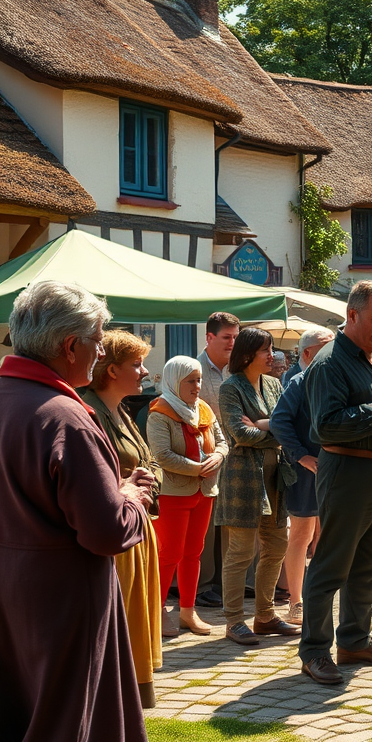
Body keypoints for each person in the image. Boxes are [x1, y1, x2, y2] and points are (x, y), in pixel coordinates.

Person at [0, 280, 151, 742]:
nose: (102, 349)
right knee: (70, 721)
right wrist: (131, 498)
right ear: (70, 346)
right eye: (98, 337)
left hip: (11, 587)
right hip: (63, 598)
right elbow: (106, 531)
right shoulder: (64, 416)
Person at [298, 280, 372, 686]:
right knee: (331, 567)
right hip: (349, 475)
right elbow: (326, 426)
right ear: (352, 315)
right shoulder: (329, 363)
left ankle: (354, 641)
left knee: (369, 566)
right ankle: (314, 651)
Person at [80, 330, 164, 707]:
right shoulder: (89, 411)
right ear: (111, 370)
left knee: (137, 614)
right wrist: (126, 483)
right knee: (121, 618)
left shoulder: (124, 411)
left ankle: (132, 695)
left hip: (139, 526)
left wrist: (148, 480)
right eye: (137, 364)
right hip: (117, 530)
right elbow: (90, 477)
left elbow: (151, 461)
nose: (144, 371)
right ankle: (113, 698)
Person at [216, 327, 300, 646]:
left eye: (273, 349)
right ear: (248, 353)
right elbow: (240, 434)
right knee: (240, 552)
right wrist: (275, 429)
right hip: (243, 478)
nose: (273, 355)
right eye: (266, 350)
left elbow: (289, 424)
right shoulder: (230, 388)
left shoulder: (274, 384)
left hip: (275, 476)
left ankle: (264, 616)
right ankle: (234, 621)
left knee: (277, 545)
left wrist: (265, 425)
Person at [148, 355, 229, 641]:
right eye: (191, 381)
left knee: (193, 553)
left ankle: (187, 610)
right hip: (173, 494)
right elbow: (162, 455)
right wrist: (199, 469)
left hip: (204, 492)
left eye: (199, 380)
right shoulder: (159, 412)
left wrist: (218, 456)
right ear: (174, 382)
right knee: (168, 554)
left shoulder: (203, 408)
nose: (197, 386)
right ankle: (155, 611)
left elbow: (221, 441)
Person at [269, 326, 335, 625]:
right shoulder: (299, 381)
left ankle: (319, 596)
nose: (332, 351)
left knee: (329, 534)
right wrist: (301, 455)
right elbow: (279, 422)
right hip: (307, 472)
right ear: (307, 353)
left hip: (333, 469)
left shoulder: (333, 379)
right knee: (300, 536)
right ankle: (296, 603)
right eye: (325, 346)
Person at [195, 311, 240, 609]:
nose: (233, 344)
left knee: (229, 524)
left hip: (235, 457)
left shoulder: (235, 370)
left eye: (236, 338)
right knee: (206, 527)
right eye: (227, 338)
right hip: (207, 459)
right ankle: (200, 585)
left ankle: (225, 582)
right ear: (209, 337)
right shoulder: (193, 369)